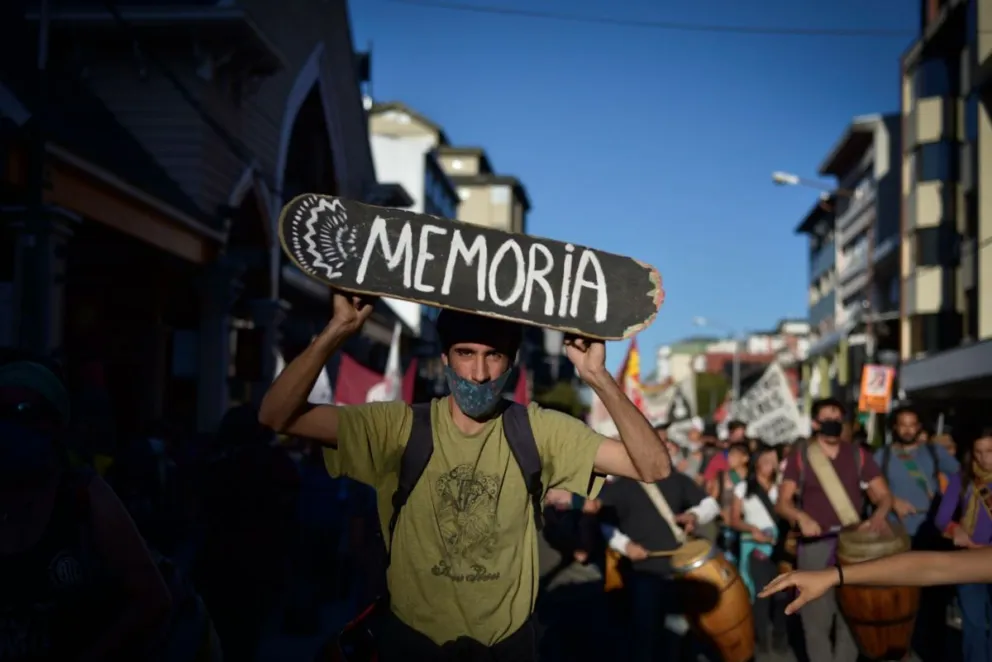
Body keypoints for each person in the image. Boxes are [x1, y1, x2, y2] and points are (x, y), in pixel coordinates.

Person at [258, 294, 669, 661]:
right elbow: (277, 416)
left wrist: (598, 377)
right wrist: (337, 330)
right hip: (412, 645)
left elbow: (653, 466)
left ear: (511, 362)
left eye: (494, 355)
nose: (479, 372)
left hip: (506, 648)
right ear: (445, 358)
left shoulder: (539, 431)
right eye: (465, 353)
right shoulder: (398, 427)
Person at [0, 355, 173, 662]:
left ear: (55, 426)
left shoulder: (84, 497)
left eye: (23, 412)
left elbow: (152, 598)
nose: (10, 426)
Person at [775, 397, 893, 662]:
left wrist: (879, 516)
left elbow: (884, 495)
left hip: (853, 545)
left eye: (838, 419)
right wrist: (801, 517)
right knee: (816, 618)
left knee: (852, 614)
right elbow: (782, 503)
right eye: (827, 419)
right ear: (816, 423)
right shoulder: (801, 457)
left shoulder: (858, 455)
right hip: (815, 546)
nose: (833, 423)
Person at [598, 453, 721, 661]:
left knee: (681, 632)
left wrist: (694, 515)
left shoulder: (676, 478)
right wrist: (626, 545)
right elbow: (605, 523)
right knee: (647, 635)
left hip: (681, 571)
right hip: (644, 573)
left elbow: (710, 504)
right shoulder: (619, 487)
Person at [877, 403, 959, 662]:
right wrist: (892, 500)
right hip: (896, 537)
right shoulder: (882, 456)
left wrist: (945, 509)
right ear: (894, 427)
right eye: (903, 425)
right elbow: (869, 487)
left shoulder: (934, 452)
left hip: (931, 535)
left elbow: (960, 479)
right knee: (900, 598)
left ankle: (933, 651)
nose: (908, 430)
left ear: (920, 427)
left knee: (933, 599)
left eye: (912, 425)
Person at [934, 426, 992, 662]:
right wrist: (955, 529)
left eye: (990, 451)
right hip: (970, 560)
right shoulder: (963, 478)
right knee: (973, 626)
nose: (984, 458)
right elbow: (941, 518)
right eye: (979, 452)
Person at [729, 443, 787, 654]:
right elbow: (734, 520)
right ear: (756, 464)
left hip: (779, 548)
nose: (770, 465)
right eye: (765, 461)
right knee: (761, 594)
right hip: (756, 548)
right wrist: (752, 529)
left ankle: (781, 636)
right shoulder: (743, 488)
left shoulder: (782, 487)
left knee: (782, 595)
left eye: (773, 461)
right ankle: (761, 639)